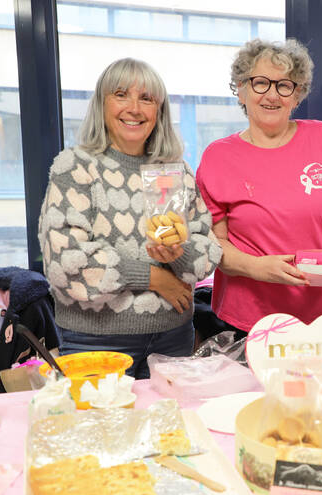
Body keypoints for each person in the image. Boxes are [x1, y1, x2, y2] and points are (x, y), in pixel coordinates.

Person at [38, 58, 222, 378]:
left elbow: (206, 250)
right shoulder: (76, 167)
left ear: (159, 111)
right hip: (95, 341)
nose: (134, 108)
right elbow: (64, 261)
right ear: (102, 103)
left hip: (173, 336)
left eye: (146, 98)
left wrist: (178, 254)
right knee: (100, 414)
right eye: (121, 94)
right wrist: (154, 278)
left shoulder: (173, 171)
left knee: (167, 414)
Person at [197, 39, 322, 334]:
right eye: (261, 83)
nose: (272, 95)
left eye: (284, 85)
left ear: (297, 94)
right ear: (241, 89)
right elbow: (215, 242)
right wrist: (256, 268)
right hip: (249, 318)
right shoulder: (218, 156)